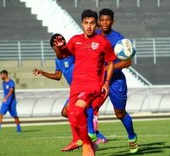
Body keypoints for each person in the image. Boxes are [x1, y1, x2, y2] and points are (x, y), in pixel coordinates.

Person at [54, 9, 116, 156]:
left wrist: (106, 82)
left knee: (79, 109)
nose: (89, 26)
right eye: (86, 23)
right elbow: (62, 55)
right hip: (76, 84)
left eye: (92, 23)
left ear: (97, 25)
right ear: (82, 23)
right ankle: (82, 141)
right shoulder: (75, 40)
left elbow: (111, 62)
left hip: (92, 85)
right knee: (72, 112)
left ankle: (86, 144)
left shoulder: (102, 42)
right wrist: (58, 48)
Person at [33, 33, 106, 152]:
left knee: (79, 110)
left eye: (62, 40)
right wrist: (42, 73)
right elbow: (58, 76)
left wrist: (60, 47)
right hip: (75, 89)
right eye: (57, 42)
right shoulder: (58, 60)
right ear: (53, 47)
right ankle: (91, 136)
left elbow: (63, 54)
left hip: (85, 85)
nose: (62, 43)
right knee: (66, 112)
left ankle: (86, 138)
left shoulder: (72, 53)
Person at [96, 8, 138, 154]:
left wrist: (109, 68)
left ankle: (132, 137)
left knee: (120, 113)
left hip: (116, 81)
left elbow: (127, 62)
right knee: (89, 108)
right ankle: (95, 137)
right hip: (97, 80)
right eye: (102, 20)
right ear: (99, 21)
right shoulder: (93, 35)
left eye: (108, 20)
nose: (105, 23)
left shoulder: (119, 39)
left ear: (113, 21)